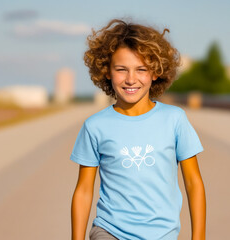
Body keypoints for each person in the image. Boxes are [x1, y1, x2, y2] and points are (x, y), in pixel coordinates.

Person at [70, 19, 206, 240]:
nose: (131, 79)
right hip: (110, 231)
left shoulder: (175, 120)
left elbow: (194, 183)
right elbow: (84, 191)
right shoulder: (95, 126)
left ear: (155, 72)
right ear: (107, 71)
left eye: (141, 69)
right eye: (121, 69)